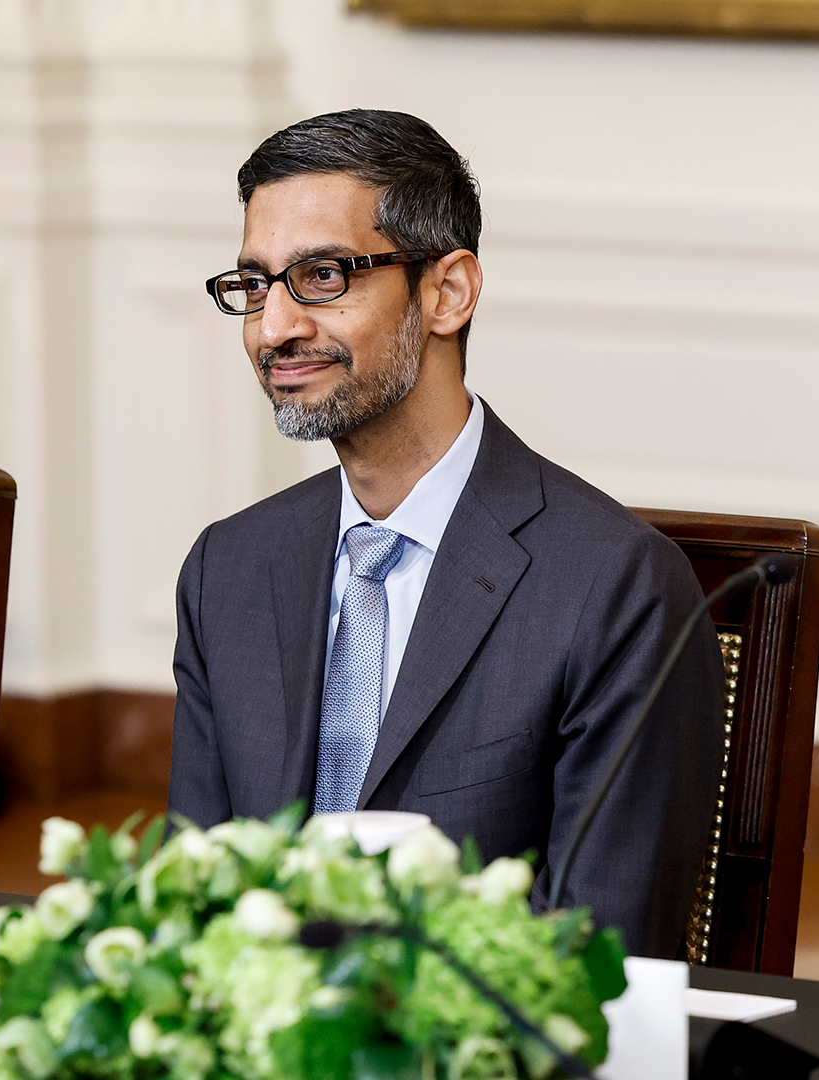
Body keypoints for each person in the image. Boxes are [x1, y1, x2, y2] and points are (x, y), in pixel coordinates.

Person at [169, 110, 723, 958]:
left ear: (446, 293)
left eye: (321, 277)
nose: (273, 327)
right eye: (255, 285)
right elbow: (191, 907)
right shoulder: (229, 569)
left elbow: (599, 951)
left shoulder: (615, 586)